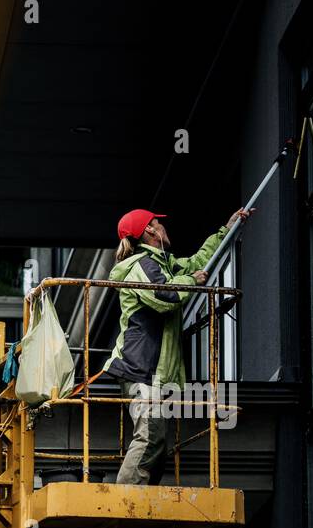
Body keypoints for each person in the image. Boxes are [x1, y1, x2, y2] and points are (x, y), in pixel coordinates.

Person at [104, 206, 251, 485]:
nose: (163, 227)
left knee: (156, 443)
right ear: (150, 230)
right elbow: (164, 296)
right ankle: (124, 500)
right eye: (159, 223)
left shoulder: (161, 265)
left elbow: (199, 263)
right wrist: (190, 282)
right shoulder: (141, 265)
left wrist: (227, 228)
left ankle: (138, 499)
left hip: (151, 372)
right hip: (141, 369)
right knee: (149, 437)